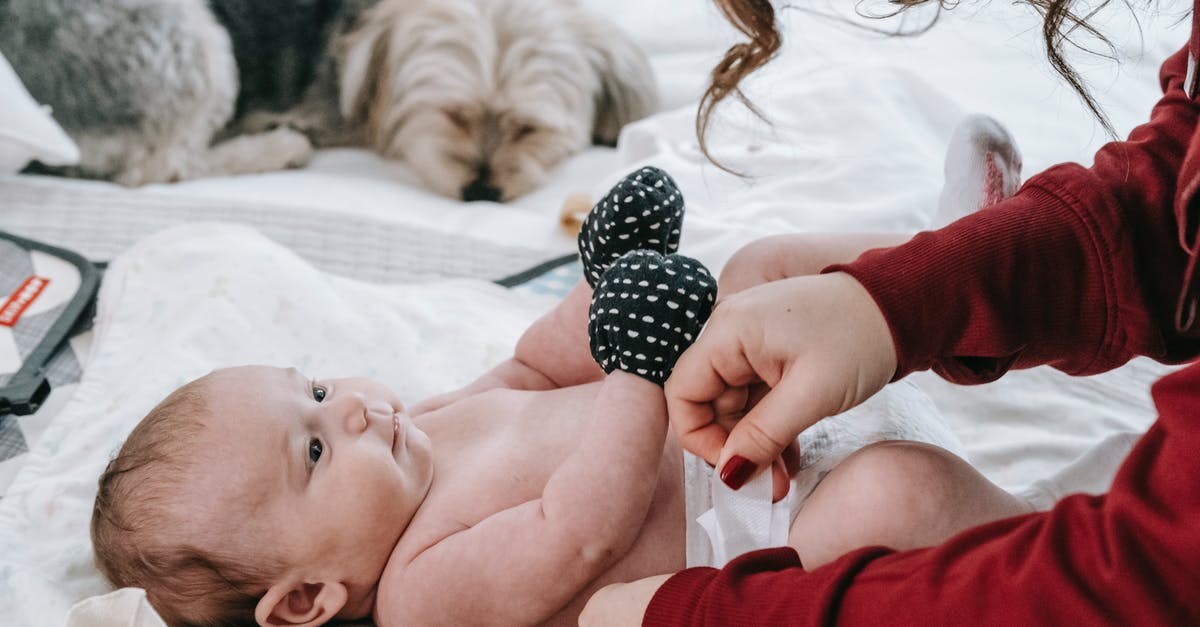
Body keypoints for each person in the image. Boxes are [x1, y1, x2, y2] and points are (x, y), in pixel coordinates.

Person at [88, 165, 1026, 627]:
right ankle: (1072, 543)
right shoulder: (424, 589)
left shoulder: (424, 427)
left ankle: (961, 259)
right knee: (896, 490)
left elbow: (534, 368)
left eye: (319, 389)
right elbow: (582, 524)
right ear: (306, 600)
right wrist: (637, 359)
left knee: (762, 268)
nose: (352, 410)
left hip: (743, 398)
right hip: (762, 516)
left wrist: (607, 277)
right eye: (316, 451)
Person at [579, 0, 1200, 624]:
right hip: (754, 506)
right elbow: (1172, 205)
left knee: (893, 489)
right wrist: (890, 300)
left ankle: (1029, 523)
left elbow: (582, 531)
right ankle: (1028, 514)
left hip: (746, 500)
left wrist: (707, 616)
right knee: (768, 294)